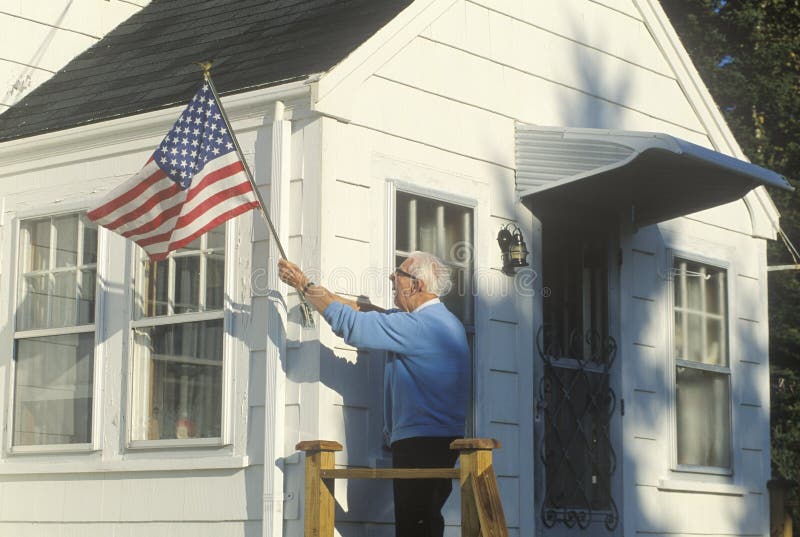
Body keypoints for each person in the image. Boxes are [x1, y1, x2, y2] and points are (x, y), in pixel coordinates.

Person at [278, 252, 470, 537]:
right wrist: (312, 288)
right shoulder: (436, 320)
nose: (392, 278)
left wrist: (304, 286)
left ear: (415, 285)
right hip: (435, 440)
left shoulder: (420, 326)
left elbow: (354, 324)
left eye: (398, 273)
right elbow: (367, 312)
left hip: (422, 442)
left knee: (415, 525)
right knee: (423, 519)